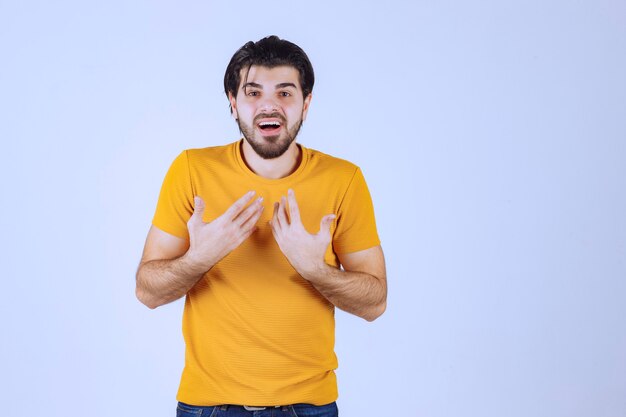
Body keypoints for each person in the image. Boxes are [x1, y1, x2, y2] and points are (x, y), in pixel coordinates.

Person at [136, 35, 387, 417]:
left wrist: (314, 270)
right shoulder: (191, 171)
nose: (269, 104)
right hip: (209, 408)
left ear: (307, 104)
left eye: (285, 93)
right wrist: (200, 257)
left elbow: (375, 303)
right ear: (233, 104)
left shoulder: (344, 180)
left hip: (309, 408)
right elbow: (147, 292)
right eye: (253, 92)